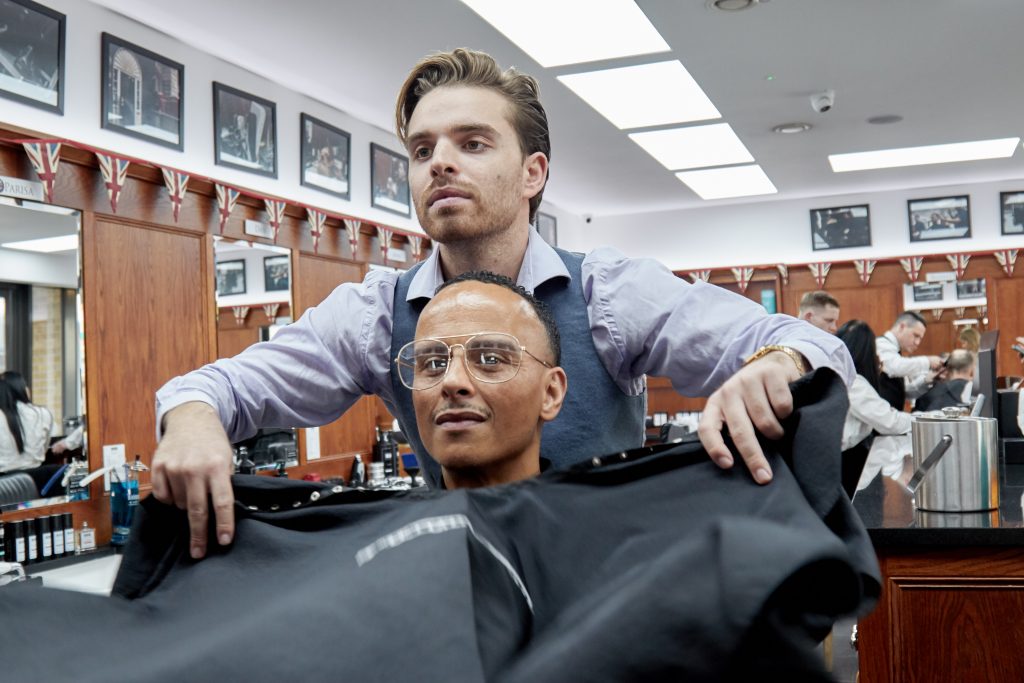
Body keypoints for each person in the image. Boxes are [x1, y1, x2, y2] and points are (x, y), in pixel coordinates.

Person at [153, 48, 853, 560]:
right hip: (466, 587)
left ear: (532, 173)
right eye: (422, 150)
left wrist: (778, 361)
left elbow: (817, 347)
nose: (440, 162)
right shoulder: (375, 313)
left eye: (472, 143)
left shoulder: (609, 292)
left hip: (604, 588)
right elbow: (213, 388)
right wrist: (191, 420)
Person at [404, 270, 566, 489]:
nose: (452, 381)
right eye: (434, 364)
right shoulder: (389, 514)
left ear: (550, 393)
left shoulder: (599, 511)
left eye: (490, 359)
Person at [836, 321, 913, 490]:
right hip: (842, 465)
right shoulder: (852, 382)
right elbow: (890, 422)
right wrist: (925, 420)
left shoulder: (840, 376)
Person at [875, 311, 943, 410]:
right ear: (902, 327)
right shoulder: (881, 344)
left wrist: (926, 380)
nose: (917, 342)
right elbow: (894, 367)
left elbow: (904, 392)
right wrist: (928, 361)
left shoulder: (895, 353)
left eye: (920, 338)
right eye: (916, 336)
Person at [0, 370, 54, 473]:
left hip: (4, 480)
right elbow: (44, 448)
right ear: (23, 389)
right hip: (37, 478)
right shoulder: (42, 414)